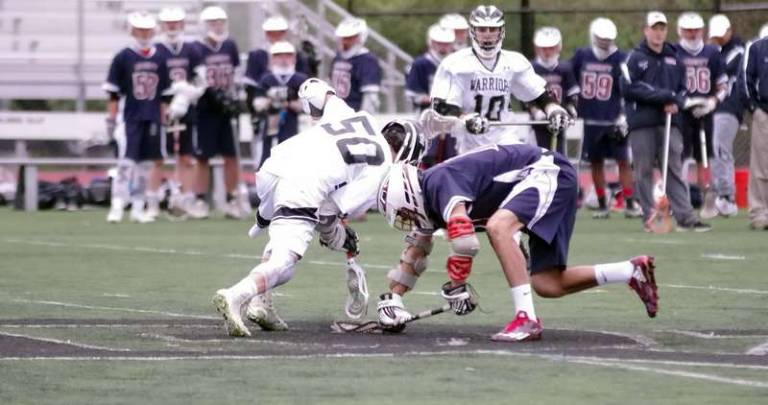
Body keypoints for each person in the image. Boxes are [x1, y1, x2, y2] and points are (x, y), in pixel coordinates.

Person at [375, 144, 659, 341]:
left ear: (408, 195)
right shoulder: (429, 198)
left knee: (500, 227)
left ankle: (526, 319)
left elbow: (465, 241)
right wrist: (393, 299)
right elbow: (416, 253)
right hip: (544, 178)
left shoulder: (438, 180)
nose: (407, 219)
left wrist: (456, 285)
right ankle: (630, 271)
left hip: (546, 171)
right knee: (548, 283)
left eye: (403, 212)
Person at [212, 79, 427, 336]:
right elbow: (327, 214)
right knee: (285, 263)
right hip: (301, 183)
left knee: (282, 235)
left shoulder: (360, 117)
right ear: (407, 154)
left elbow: (315, 90)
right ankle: (236, 295)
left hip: (275, 164)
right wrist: (340, 239)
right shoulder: (381, 171)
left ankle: (261, 304)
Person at [429, 5, 571, 156]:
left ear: (501, 31)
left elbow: (538, 95)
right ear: (473, 31)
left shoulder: (514, 62)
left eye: (493, 29)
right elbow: (440, 106)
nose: (488, 35)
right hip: (468, 143)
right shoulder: (455, 63)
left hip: (506, 138)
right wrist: (466, 118)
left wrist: (554, 110)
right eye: (482, 29)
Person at [620, 11, 712, 232]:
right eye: (655, 28)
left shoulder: (674, 58)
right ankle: (650, 217)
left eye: (662, 28)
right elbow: (629, 88)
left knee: (674, 168)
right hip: (642, 123)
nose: (659, 33)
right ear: (646, 30)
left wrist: (676, 102)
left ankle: (686, 217)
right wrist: (666, 97)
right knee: (643, 170)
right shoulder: (635, 57)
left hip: (671, 122)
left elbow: (682, 90)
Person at [571, 17, 641, 219]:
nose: (604, 43)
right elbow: (572, 80)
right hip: (590, 119)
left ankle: (629, 202)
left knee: (623, 161)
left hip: (613, 120)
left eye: (607, 39)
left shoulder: (622, 58)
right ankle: (603, 203)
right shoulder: (582, 56)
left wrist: (624, 115)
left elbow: (628, 88)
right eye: (601, 38)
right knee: (595, 163)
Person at [104, 11, 169, 224]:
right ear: (132, 30)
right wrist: (111, 121)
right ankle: (117, 205)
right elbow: (113, 93)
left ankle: (138, 207)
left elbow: (164, 96)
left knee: (144, 165)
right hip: (129, 118)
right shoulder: (123, 56)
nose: (144, 33)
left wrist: (164, 120)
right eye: (140, 29)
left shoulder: (160, 58)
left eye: (147, 29)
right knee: (126, 164)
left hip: (151, 118)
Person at [192, 6, 246, 219]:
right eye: (212, 23)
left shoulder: (230, 45)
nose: (217, 26)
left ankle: (233, 200)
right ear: (203, 26)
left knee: (231, 155)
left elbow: (236, 73)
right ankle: (199, 200)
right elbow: (198, 78)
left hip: (228, 109)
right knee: (203, 157)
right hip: (206, 108)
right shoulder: (196, 48)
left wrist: (235, 96)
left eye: (220, 22)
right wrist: (214, 95)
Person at [675, 12, 728, 215]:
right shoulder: (674, 52)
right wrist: (682, 101)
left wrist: (713, 102)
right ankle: (680, 199)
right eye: (688, 30)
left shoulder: (712, 52)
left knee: (705, 156)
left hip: (706, 110)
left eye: (695, 30)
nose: (692, 34)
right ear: (680, 31)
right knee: (681, 155)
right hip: (683, 110)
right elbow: (669, 82)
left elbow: (723, 84)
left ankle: (708, 197)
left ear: (702, 30)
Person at [156, 6, 205, 218]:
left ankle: (183, 198)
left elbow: (201, 81)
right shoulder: (157, 50)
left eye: (175, 23)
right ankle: (156, 198)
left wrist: (187, 94)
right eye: (168, 23)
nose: (172, 27)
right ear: (162, 25)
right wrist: (165, 102)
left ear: (182, 24)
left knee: (187, 155)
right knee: (160, 155)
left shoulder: (192, 49)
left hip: (186, 108)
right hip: (163, 108)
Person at [703, 14, 746, 218]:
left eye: (721, 36)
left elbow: (720, 71)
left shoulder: (738, 52)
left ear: (729, 32)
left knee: (721, 148)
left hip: (729, 107)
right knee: (714, 149)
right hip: (715, 107)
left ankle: (727, 196)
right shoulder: (717, 52)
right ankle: (720, 193)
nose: (718, 40)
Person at [246, 41, 308, 168]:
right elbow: (257, 104)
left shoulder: (301, 79)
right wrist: (271, 99)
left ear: (294, 58)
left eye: (288, 55)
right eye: (279, 56)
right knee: (268, 160)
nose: (284, 60)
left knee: (295, 161)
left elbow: (309, 106)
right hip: (271, 125)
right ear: (272, 59)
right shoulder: (267, 79)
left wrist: (289, 102)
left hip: (295, 125)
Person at [405, 24, 457, 167]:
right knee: (428, 157)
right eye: (439, 43)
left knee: (454, 156)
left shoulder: (458, 63)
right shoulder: (421, 64)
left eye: (446, 43)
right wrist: (436, 101)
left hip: (454, 118)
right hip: (428, 117)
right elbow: (412, 94)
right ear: (431, 43)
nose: (443, 47)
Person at [529, 26, 579, 155]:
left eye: (551, 48)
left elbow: (572, 94)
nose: (547, 52)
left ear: (558, 47)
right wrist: (536, 111)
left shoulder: (565, 68)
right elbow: (525, 96)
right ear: (537, 48)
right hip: (537, 123)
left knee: (558, 155)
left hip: (559, 119)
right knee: (538, 155)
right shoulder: (531, 68)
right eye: (543, 48)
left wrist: (571, 108)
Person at [330, 17, 382, 114]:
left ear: (360, 37)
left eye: (349, 38)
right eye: (343, 38)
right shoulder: (337, 57)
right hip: (335, 113)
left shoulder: (367, 60)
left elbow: (370, 96)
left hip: (354, 114)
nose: (345, 42)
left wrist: (363, 119)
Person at [243, 15, 313, 87]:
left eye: (280, 32)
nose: (276, 36)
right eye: (271, 33)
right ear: (266, 34)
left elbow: (304, 77)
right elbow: (251, 79)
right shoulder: (256, 55)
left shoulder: (296, 54)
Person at [743, 30, 768, 230]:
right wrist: (754, 107)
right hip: (764, 112)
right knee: (761, 165)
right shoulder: (758, 47)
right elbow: (746, 78)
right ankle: (759, 213)